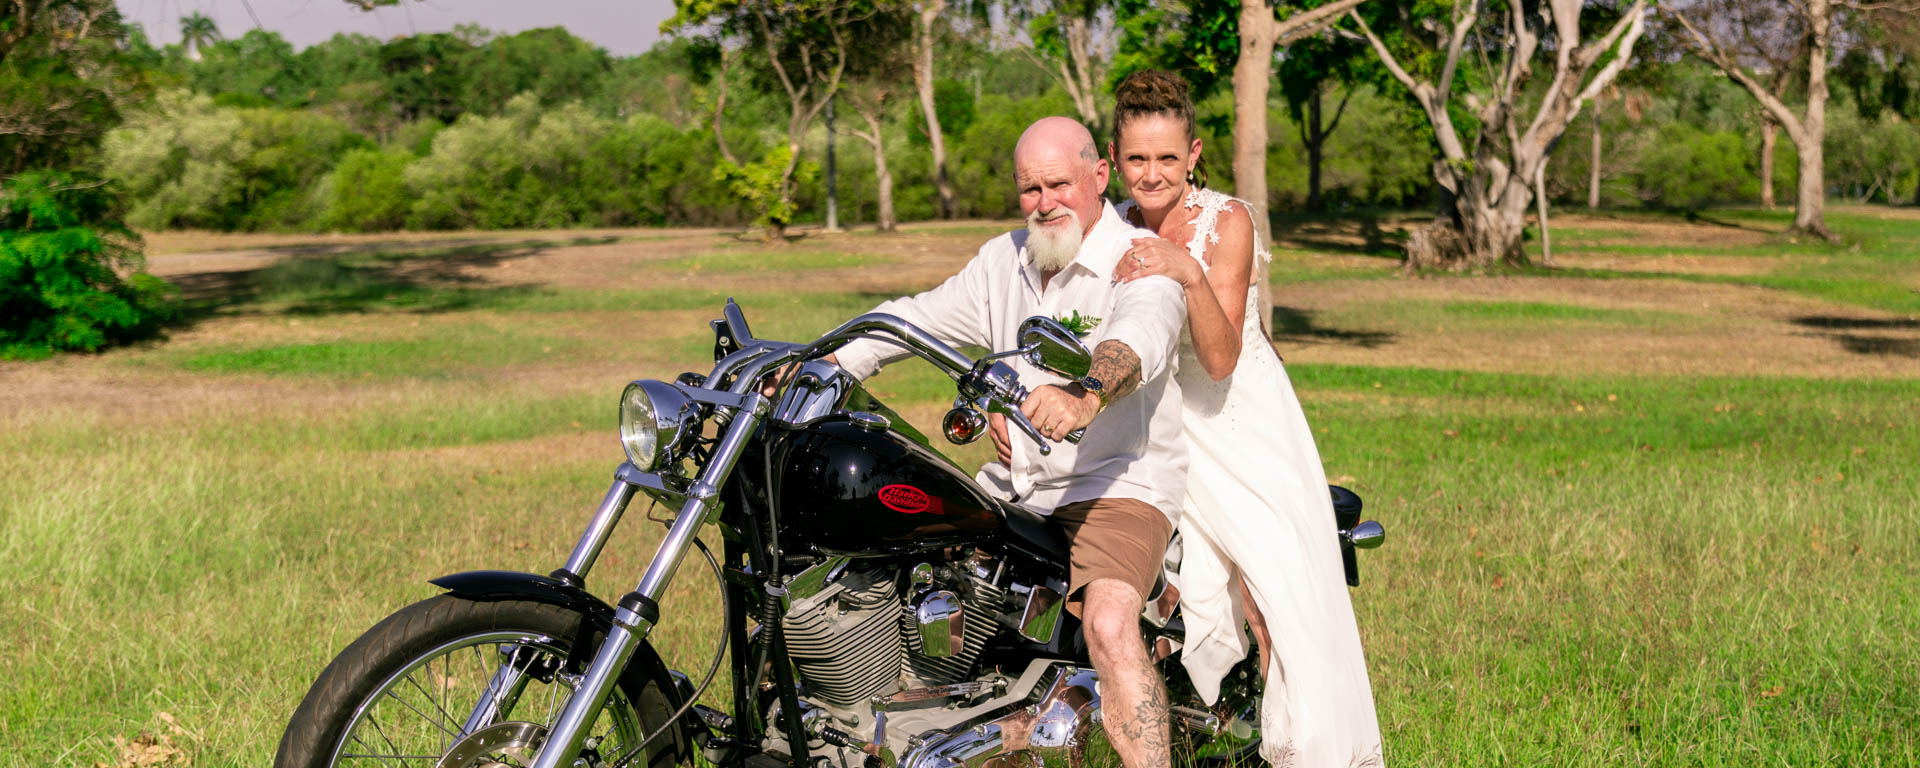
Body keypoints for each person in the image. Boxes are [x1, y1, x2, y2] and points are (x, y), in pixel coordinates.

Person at [831, 116, 1189, 768]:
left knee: (1109, 624)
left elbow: (1141, 334)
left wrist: (1087, 392)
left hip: (1112, 484)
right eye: (1030, 189)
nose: (1044, 203)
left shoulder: (1134, 259)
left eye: (1059, 184)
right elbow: (916, 318)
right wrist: (830, 363)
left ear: (1099, 176)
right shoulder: (1005, 260)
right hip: (1016, 489)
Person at [1107, 70, 1384, 766]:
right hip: (1162, 426)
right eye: (1137, 158)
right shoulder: (1110, 226)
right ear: (1114, 158)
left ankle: (1305, 753)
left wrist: (1185, 271)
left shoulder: (1226, 222)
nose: (1152, 173)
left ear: (1194, 154)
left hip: (1243, 427)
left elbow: (1222, 358)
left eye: (1167, 158)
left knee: (1274, 605)